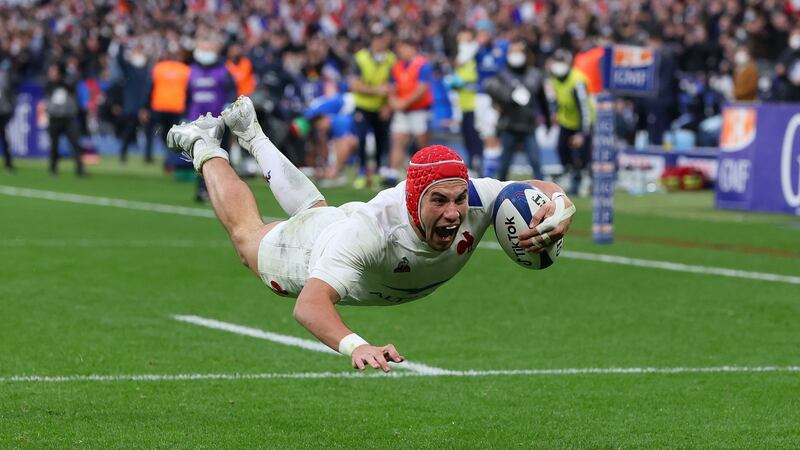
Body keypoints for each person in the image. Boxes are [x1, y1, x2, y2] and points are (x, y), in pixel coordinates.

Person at [165, 95, 576, 372]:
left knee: (317, 212)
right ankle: (204, 145)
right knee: (247, 239)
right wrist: (354, 345)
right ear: (414, 200)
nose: (454, 213)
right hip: (320, 245)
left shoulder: (479, 198)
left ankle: (251, 133)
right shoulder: (372, 233)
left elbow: (533, 188)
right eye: (439, 202)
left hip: (343, 227)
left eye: (459, 199)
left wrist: (560, 207)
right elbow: (309, 306)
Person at [484, 38, 551, 181]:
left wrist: (548, 122)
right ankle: (499, 194)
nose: (516, 55)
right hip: (509, 125)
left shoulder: (535, 74)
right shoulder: (502, 74)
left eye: (519, 52)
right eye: (512, 52)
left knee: (536, 162)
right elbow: (490, 91)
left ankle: (543, 192)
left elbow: (542, 101)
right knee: (504, 164)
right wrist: (508, 94)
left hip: (528, 125)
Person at [348, 24, 395, 189]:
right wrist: (377, 91)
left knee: (381, 142)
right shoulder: (360, 58)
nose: (381, 42)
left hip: (381, 108)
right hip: (363, 106)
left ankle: (376, 173)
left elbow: (394, 85)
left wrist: (388, 106)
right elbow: (354, 84)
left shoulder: (390, 58)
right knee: (361, 139)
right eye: (378, 38)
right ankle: (361, 172)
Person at [385, 37, 433, 186]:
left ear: (412, 48)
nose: (401, 51)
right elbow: (391, 87)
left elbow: (421, 89)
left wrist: (402, 103)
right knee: (398, 139)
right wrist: (393, 102)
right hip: (403, 109)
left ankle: (426, 172)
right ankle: (392, 174)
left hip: (418, 110)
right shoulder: (396, 66)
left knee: (422, 141)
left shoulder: (422, 65)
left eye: (404, 47)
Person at [548, 50, 594, 196]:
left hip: (582, 121)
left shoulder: (578, 81)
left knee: (581, 155)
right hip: (566, 121)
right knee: (562, 148)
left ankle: (584, 183)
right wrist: (554, 111)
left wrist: (582, 133)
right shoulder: (554, 78)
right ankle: (570, 178)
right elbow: (556, 97)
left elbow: (584, 109)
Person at [446, 28, 483, 175]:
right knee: (468, 136)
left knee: (477, 136)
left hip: (476, 104)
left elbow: (481, 80)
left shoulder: (476, 55)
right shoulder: (461, 58)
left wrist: (463, 83)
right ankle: (473, 164)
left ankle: (479, 164)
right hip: (463, 104)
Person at [144, 48, 191, 164]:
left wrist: (145, 107)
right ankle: (170, 157)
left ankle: (149, 155)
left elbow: (149, 88)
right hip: (177, 107)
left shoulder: (158, 68)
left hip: (159, 106)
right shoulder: (186, 70)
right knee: (173, 136)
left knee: (156, 132)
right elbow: (190, 90)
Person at [45, 62, 88, 177]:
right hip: (54, 119)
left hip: (68, 119)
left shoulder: (67, 84)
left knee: (75, 143)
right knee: (54, 146)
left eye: (53, 71)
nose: (51, 74)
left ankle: (80, 169)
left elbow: (74, 84)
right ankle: (53, 169)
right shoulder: (49, 85)